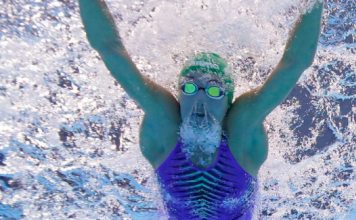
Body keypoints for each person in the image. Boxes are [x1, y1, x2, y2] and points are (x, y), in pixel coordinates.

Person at [79, 0, 323, 219]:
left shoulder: (241, 130)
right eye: (189, 86)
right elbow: (110, 49)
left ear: (229, 101)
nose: (199, 98)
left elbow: (295, 64)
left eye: (214, 90)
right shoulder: (165, 122)